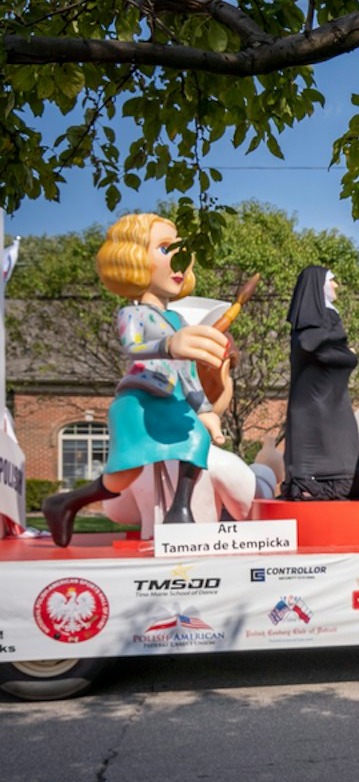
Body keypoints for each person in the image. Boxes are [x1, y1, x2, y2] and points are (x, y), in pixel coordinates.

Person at [42, 213, 228, 546]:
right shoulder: (133, 313)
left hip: (173, 401)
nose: (179, 260)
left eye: (183, 251)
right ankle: (63, 502)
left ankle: (179, 511)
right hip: (140, 402)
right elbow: (134, 346)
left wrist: (205, 409)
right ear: (134, 258)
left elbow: (188, 372)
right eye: (165, 248)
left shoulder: (178, 318)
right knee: (120, 478)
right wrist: (170, 345)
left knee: (196, 440)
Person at [283, 266, 359, 501]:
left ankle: (343, 481)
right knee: (322, 438)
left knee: (344, 439)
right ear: (319, 286)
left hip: (331, 398)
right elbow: (320, 350)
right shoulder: (312, 322)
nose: (336, 285)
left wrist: (345, 354)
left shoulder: (326, 316)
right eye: (332, 280)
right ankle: (315, 484)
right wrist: (349, 356)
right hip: (315, 401)